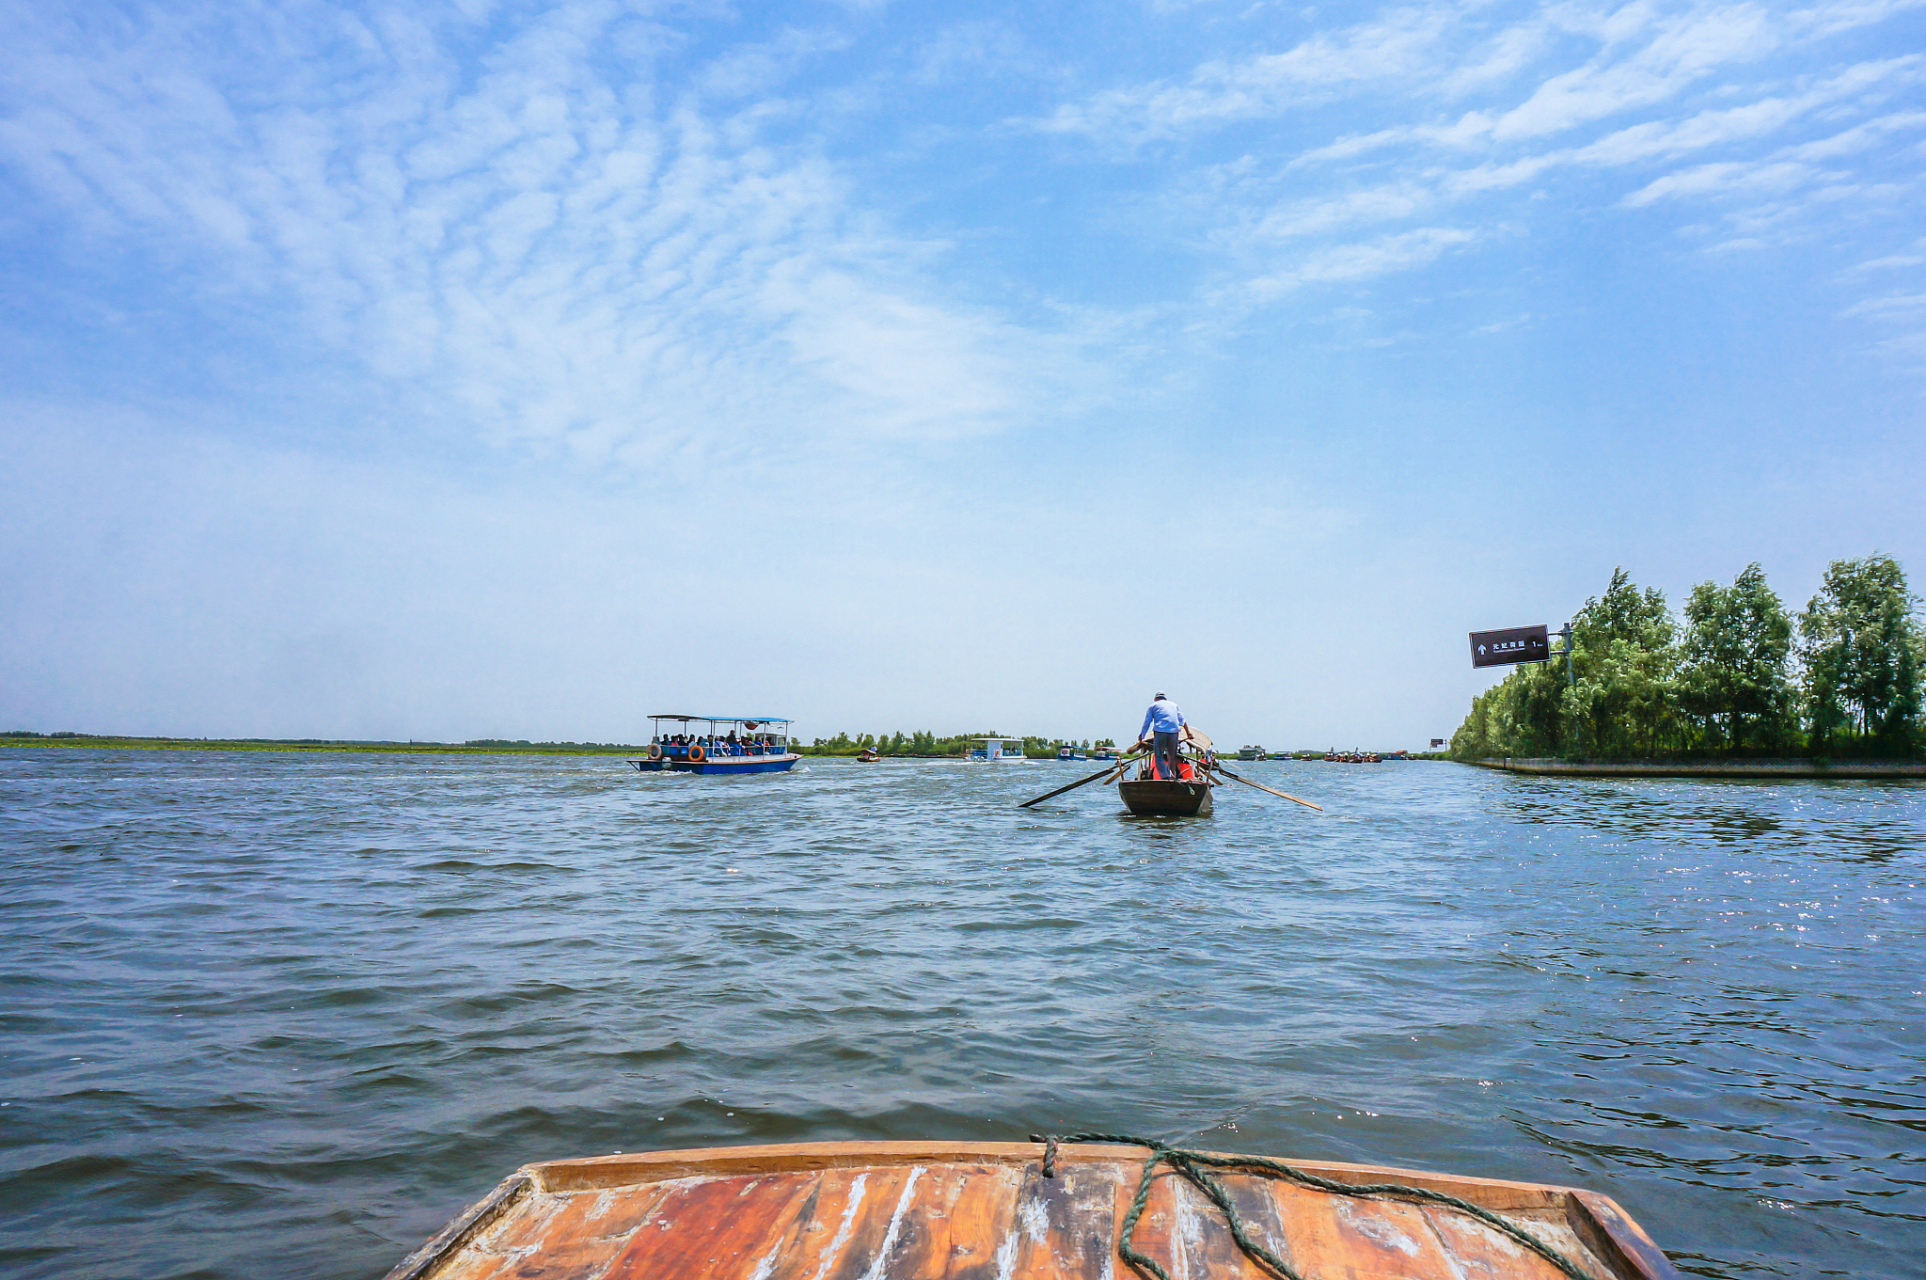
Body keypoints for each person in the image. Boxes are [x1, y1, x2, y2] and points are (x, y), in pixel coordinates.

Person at [1140, 692, 1185, 781]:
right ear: (1165, 698)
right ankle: (1172, 776)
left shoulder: (1153, 706)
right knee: (1172, 756)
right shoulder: (1174, 705)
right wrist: (1181, 727)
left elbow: (1147, 722)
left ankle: (1165, 776)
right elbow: (1182, 720)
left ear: (1155, 699)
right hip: (1174, 732)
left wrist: (1142, 735)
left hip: (1160, 732)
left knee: (1159, 756)